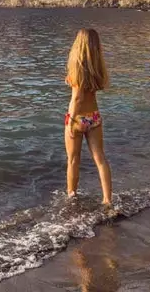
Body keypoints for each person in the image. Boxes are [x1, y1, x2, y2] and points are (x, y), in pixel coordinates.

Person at [64, 28, 113, 206]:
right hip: (94, 117)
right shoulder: (97, 68)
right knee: (100, 158)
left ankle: (72, 196)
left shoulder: (77, 67)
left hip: (78, 118)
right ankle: (107, 200)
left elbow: (77, 98)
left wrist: (70, 119)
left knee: (73, 159)